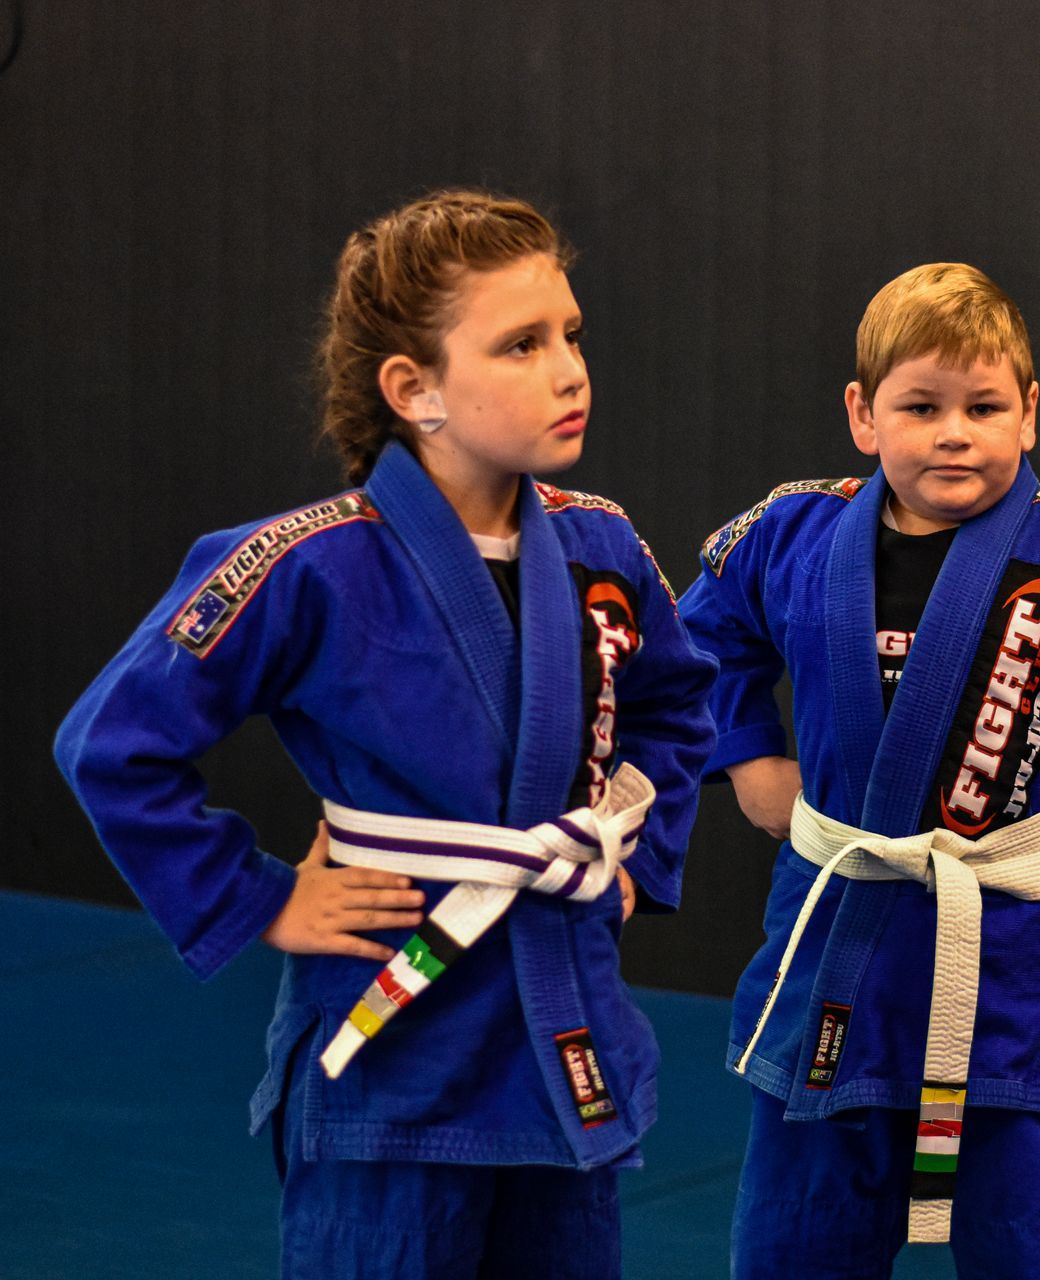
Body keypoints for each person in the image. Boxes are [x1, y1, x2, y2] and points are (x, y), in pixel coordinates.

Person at [53, 190, 718, 1279]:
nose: (568, 369)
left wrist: (632, 831)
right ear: (415, 390)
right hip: (397, 1051)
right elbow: (111, 743)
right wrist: (263, 896)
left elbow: (676, 702)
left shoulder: (602, 542)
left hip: (565, 1032)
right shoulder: (305, 561)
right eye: (520, 344)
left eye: (570, 335)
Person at [677, 262, 1040, 1279]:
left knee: (1026, 1227)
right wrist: (747, 750)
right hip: (838, 943)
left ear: (1029, 413)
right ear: (863, 415)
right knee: (798, 1233)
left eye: (984, 406)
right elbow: (695, 638)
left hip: (1012, 955)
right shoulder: (790, 531)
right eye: (922, 406)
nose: (955, 431)